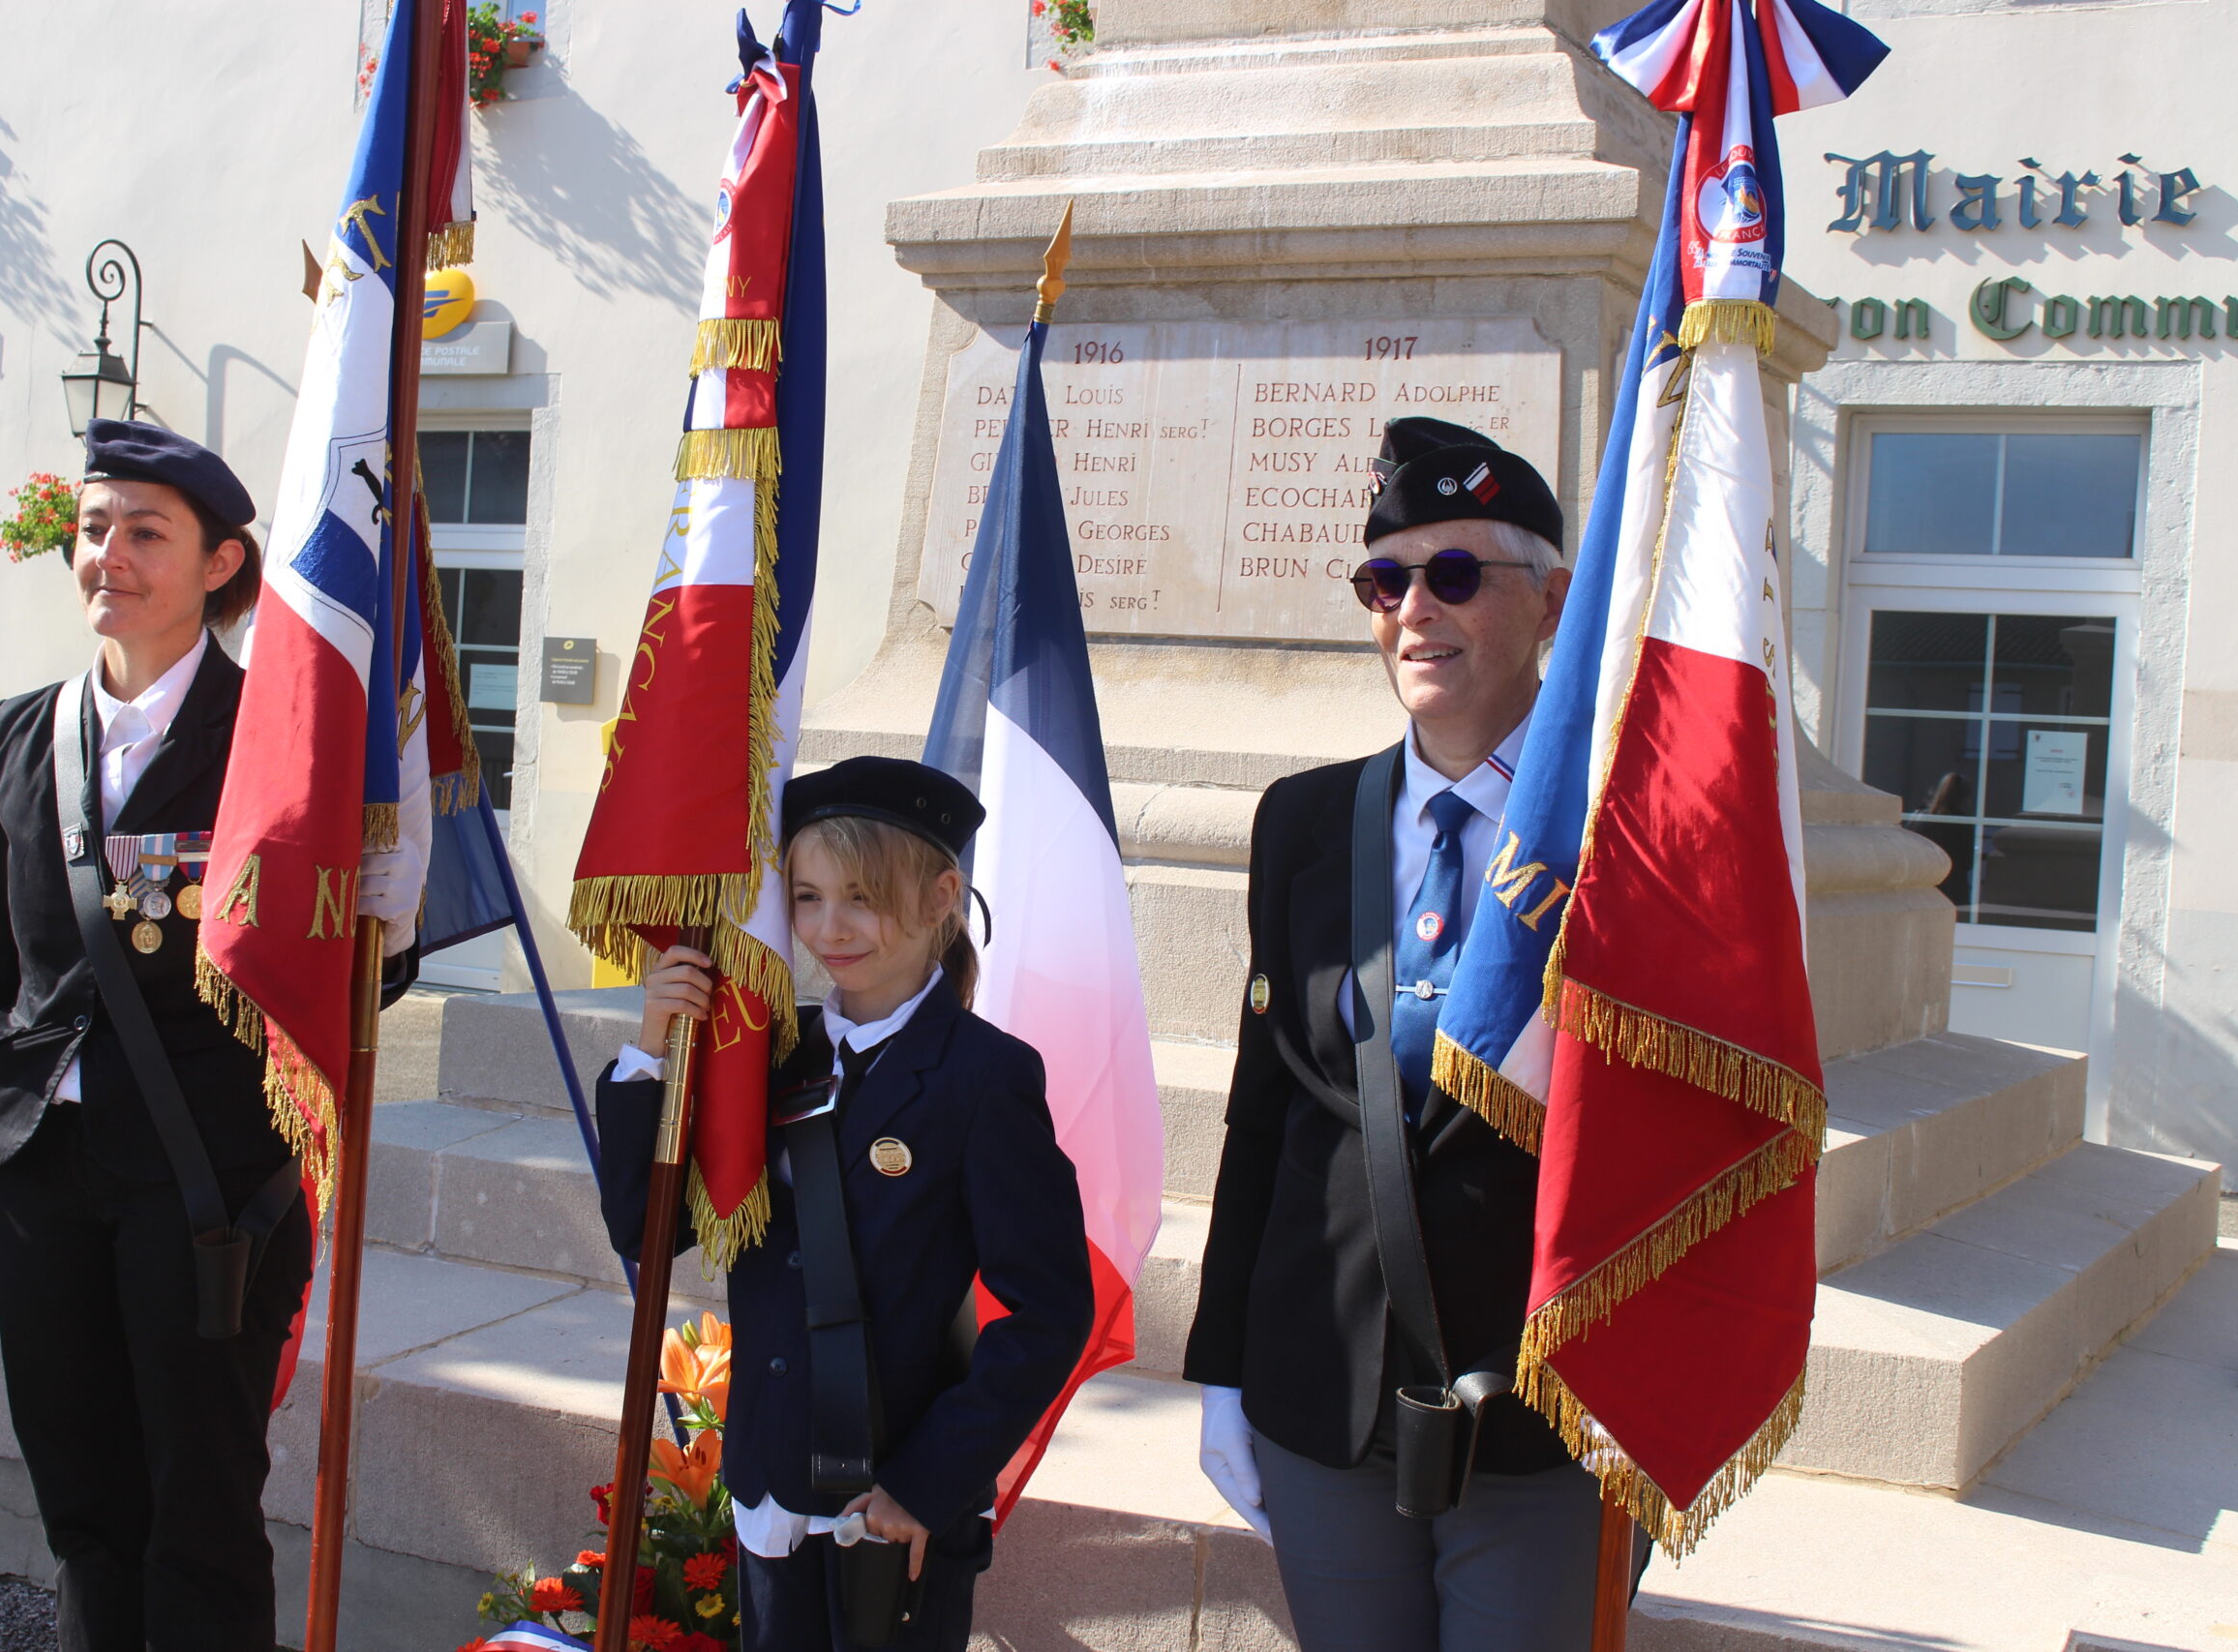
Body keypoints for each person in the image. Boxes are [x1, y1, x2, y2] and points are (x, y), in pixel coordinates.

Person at [0, 419, 413, 1652]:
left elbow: (345, 979)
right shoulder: (19, 733)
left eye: (144, 532)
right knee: (83, 1507)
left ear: (222, 563)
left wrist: (384, 922)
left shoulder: (279, 742)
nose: (106, 555)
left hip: (206, 1182)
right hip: (40, 1177)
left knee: (200, 1509)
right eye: (91, 528)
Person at [1183, 417, 1629, 1650]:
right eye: (1386, 580)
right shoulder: (1305, 819)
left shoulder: (1629, 826)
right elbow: (1262, 1109)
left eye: (1453, 574)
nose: (1412, 610)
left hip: (1551, 1406)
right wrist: (1221, 1362)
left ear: (1552, 601)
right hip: (1322, 1386)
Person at [594, 756, 1094, 1652]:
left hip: (887, 1512)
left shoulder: (984, 1079)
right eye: (808, 895)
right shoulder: (770, 1056)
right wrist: (653, 1052)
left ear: (943, 894)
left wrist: (928, 1480)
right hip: (769, 1491)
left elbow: (1051, 1311)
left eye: (862, 897)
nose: (830, 928)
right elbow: (645, 1227)